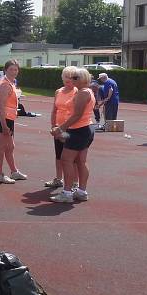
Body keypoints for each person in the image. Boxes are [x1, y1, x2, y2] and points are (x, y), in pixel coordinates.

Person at [50, 68, 95, 203]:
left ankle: (67, 193)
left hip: (78, 130)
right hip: (85, 128)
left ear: (82, 79)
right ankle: (81, 191)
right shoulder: (87, 92)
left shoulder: (82, 93)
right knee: (81, 161)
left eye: (75, 77)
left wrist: (60, 129)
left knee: (66, 160)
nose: (72, 79)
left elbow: (76, 115)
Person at [0, 60, 27, 184]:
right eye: (11, 69)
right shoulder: (6, 85)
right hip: (4, 119)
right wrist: (4, 125)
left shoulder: (8, 83)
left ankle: (13, 171)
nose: (14, 72)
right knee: (2, 147)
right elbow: (1, 106)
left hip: (8, 118)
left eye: (16, 69)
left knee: (10, 146)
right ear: (5, 70)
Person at [45, 67, 78, 189]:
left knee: (72, 158)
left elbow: (78, 113)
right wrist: (53, 126)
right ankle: (59, 179)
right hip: (59, 128)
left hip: (72, 128)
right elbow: (54, 110)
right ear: (62, 77)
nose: (68, 79)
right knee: (58, 155)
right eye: (66, 77)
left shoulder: (77, 92)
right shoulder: (58, 91)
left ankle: (75, 182)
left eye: (71, 77)